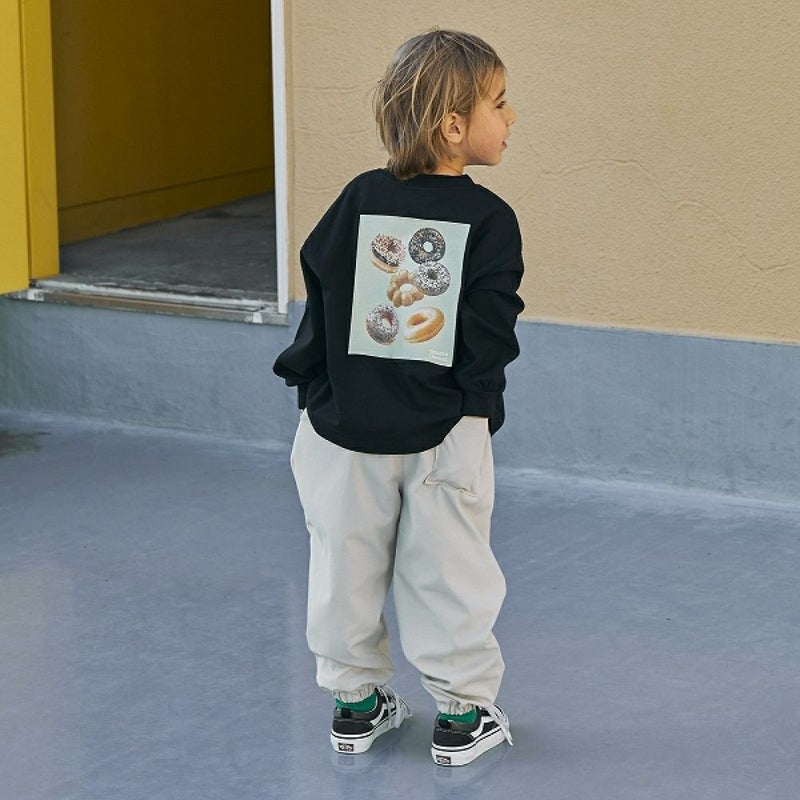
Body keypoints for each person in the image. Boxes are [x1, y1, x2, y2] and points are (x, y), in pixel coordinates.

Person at [273, 28, 524, 767]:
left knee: (342, 566)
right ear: (454, 126)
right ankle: (461, 715)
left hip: (342, 428)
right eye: (499, 103)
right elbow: (488, 332)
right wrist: (475, 414)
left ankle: (355, 706)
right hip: (441, 431)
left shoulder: (359, 197)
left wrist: (315, 388)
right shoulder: (489, 220)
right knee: (448, 570)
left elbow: (322, 293)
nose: (511, 117)